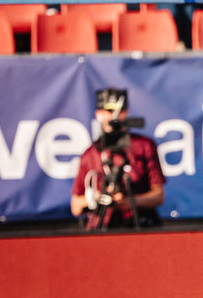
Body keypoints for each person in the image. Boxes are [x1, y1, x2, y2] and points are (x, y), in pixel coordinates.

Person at [70, 88, 166, 230]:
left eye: (120, 111)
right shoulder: (91, 154)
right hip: (101, 228)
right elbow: (75, 206)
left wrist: (128, 201)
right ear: (99, 114)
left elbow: (159, 196)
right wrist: (95, 198)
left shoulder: (143, 146)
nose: (114, 116)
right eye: (109, 111)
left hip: (138, 225)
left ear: (126, 113)